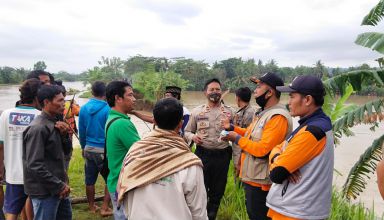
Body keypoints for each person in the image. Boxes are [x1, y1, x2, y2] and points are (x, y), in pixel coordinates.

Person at [117, 98, 208, 220]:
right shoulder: (190, 163)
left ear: (154, 121)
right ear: (181, 124)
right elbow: (199, 212)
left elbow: (124, 190)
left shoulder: (135, 152)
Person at [221, 73, 292, 220]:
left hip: (262, 183)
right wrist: (232, 128)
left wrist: (236, 139)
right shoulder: (263, 113)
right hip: (253, 178)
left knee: (258, 216)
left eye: (259, 87)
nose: (255, 91)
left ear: (270, 92)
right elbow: (249, 134)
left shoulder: (277, 117)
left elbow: (262, 150)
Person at [266, 75, 334, 219]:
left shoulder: (312, 131)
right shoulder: (315, 123)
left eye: (292, 96)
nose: (288, 102)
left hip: (296, 211)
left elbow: (277, 174)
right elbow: (278, 147)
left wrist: (278, 159)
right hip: (297, 208)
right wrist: (279, 156)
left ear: (308, 100)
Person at [184, 78, 234, 220]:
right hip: (202, 155)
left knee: (218, 191)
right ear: (205, 92)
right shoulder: (196, 112)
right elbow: (187, 132)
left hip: (222, 156)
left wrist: (237, 159)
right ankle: (200, 216)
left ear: (221, 92)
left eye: (218, 89)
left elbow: (237, 135)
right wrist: (193, 137)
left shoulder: (230, 112)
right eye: (211, 89)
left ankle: (212, 216)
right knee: (200, 189)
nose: (215, 92)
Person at [22, 85, 72, 220]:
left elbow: (67, 153)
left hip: (59, 187)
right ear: (46, 102)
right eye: (60, 101)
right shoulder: (38, 128)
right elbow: (34, 165)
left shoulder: (56, 123)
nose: (64, 104)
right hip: (45, 191)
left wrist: (65, 135)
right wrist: (59, 185)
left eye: (64, 100)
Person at [0, 79, 42, 220]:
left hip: (13, 172)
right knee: (32, 205)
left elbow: (1, 144)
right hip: (35, 173)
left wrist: (1, 167)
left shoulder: (6, 114)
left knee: (12, 210)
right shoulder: (40, 116)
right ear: (38, 96)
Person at [105, 81, 140, 220]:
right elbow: (141, 152)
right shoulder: (122, 123)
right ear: (117, 98)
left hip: (116, 179)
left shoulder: (112, 118)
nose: (134, 99)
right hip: (124, 184)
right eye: (130, 95)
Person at [78, 81, 112, 216]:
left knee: (89, 180)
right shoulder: (108, 109)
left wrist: (83, 147)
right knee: (110, 178)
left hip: (88, 148)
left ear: (92, 92)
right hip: (103, 150)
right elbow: (110, 132)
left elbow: (81, 130)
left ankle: (92, 206)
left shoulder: (84, 108)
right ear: (105, 93)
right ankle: (104, 207)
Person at [231, 87, 256, 177]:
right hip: (238, 150)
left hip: (242, 150)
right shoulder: (241, 111)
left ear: (238, 98)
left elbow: (247, 135)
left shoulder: (249, 113)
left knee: (241, 177)